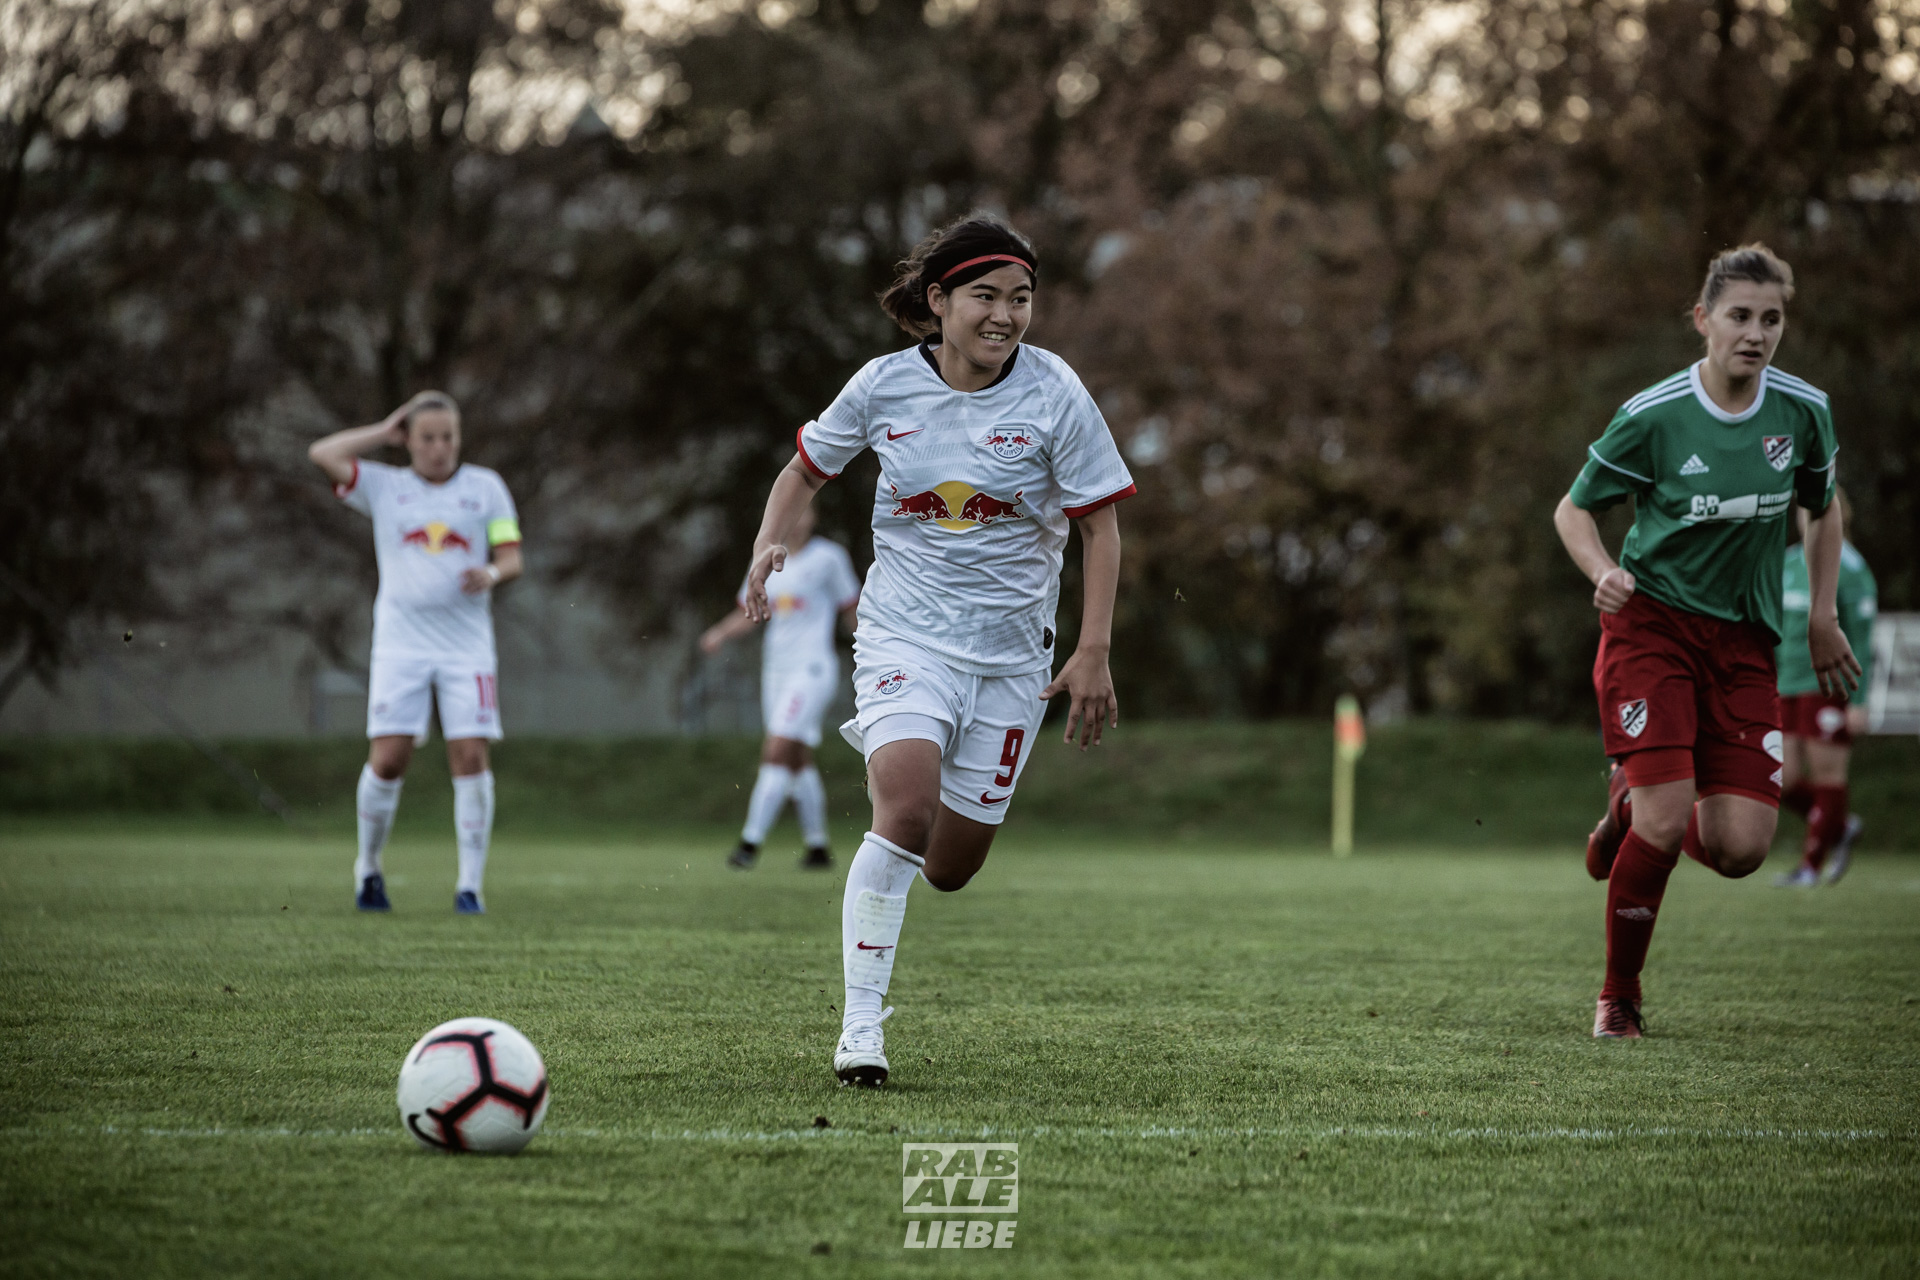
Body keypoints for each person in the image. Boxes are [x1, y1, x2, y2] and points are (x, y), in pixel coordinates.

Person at [737, 213, 1135, 1086]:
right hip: (904, 635)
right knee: (905, 811)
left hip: (1011, 660)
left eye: (1021, 299)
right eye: (986, 296)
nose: (1005, 316)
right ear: (939, 299)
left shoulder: (1054, 390)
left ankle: (913, 864)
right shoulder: (883, 386)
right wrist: (770, 541)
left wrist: (1093, 647)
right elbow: (805, 468)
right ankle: (861, 1028)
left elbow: (1100, 527)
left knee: (950, 868)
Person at [1553, 243, 1858, 1039]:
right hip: (1650, 628)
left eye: (1772, 318)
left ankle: (1628, 802)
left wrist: (1821, 615)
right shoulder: (1653, 415)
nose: (1756, 334)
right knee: (1666, 820)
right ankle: (1619, 995)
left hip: (1746, 643)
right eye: (1740, 316)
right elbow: (1573, 510)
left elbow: (1822, 510)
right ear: (1704, 321)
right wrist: (1600, 569)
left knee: (1741, 849)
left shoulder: (1803, 412)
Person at [308, 392, 522, 915]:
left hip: (466, 648)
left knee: (470, 756)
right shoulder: (385, 487)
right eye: (427, 437)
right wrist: (382, 431)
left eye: (448, 436)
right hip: (400, 647)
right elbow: (323, 454)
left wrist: (490, 573)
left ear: (458, 439)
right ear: (410, 440)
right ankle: (369, 868)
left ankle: (470, 887)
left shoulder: (485, 488)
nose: (439, 447)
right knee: (388, 760)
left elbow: (511, 556)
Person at [700, 505, 861, 870]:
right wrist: (719, 634)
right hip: (776, 672)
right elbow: (749, 611)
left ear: (815, 517)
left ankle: (748, 845)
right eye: (793, 512)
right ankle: (818, 848)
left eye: (805, 511)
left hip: (813, 668)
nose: (798, 517)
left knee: (776, 751)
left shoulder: (829, 557)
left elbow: (852, 610)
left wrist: (876, 648)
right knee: (796, 758)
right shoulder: (765, 559)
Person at [1773, 491, 1877, 887]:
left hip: (1829, 684)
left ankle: (1810, 868)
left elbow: (1863, 640)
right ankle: (1840, 824)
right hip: (1786, 684)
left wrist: (1860, 699)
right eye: (1802, 512)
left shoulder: (1850, 568)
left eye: (1814, 512)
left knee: (1828, 775)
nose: (1806, 519)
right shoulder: (1787, 562)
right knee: (1782, 779)